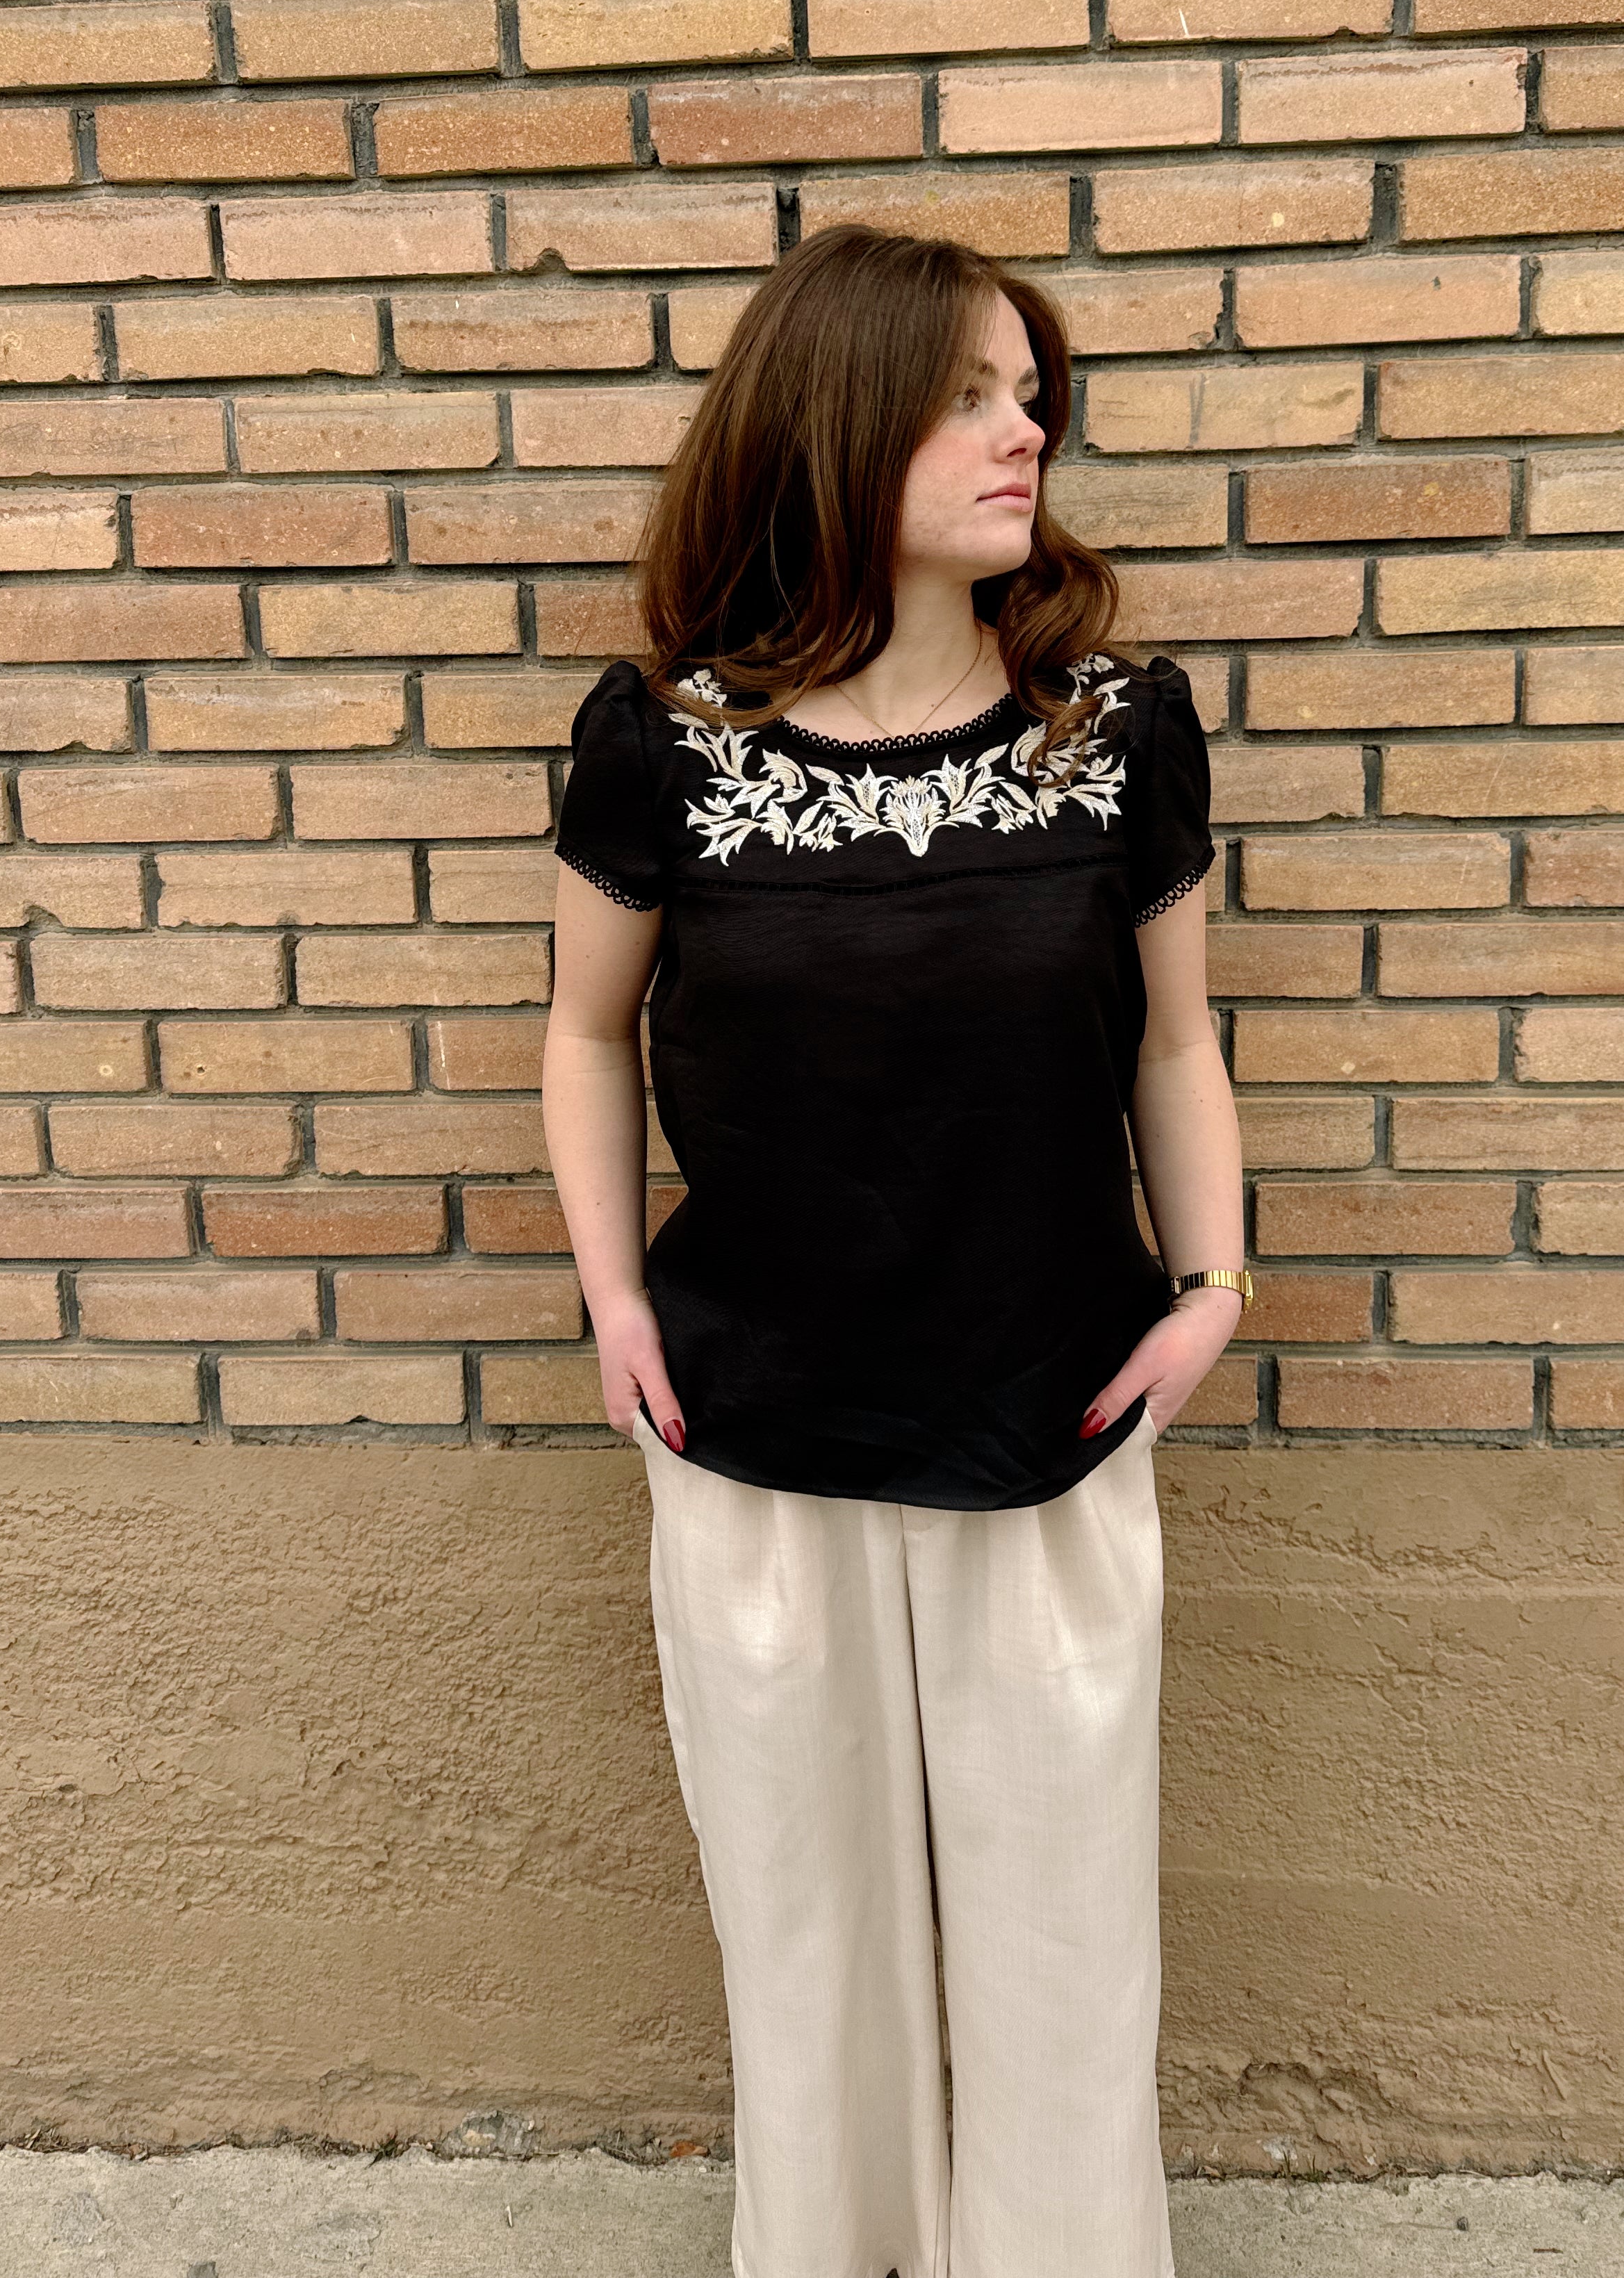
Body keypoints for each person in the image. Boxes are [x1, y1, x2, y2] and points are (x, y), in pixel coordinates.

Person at [541, 222, 1248, 2278]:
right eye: (966, 392)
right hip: (756, 1420)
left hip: (1053, 1413)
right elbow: (583, 1031)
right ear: (840, 414)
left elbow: (1184, 1045)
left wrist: (1212, 1295)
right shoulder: (665, 738)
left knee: (1059, 1935)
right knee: (806, 1924)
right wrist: (612, 1302)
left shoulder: (1115, 731)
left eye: (1033, 394)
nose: (1022, 430)